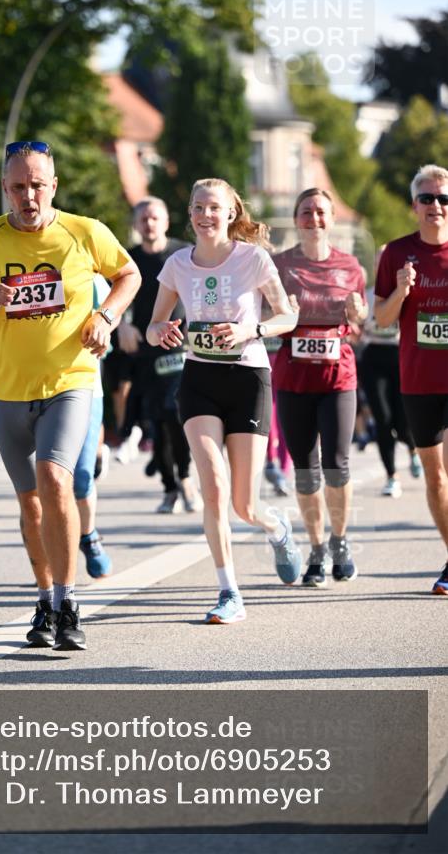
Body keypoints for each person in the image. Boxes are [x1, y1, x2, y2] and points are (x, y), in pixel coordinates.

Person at [0, 140, 140, 649]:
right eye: (17, 187)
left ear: (53, 186)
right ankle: (45, 598)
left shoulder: (84, 232)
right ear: (5, 189)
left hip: (68, 382)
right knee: (30, 504)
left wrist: (106, 316)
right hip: (7, 391)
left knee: (54, 479)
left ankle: (70, 601)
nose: (28, 196)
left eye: (37, 185)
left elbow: (128, 274)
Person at [147, 178, 301, 624]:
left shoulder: (252, 259)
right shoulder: (177, 263)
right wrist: (164, 332)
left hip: (249, 379)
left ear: (231, 213)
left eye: (214, 207)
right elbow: (157, 324)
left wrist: (252, 330)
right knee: (212, 485)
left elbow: (287, 316)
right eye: (198, 206)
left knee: (244, 506)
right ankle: (228, 591)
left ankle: (277, 527)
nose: (205, 215)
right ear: (190, 213)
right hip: (198, 378)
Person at [273, 187, 368, 588]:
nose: (314, 218)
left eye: (321, 212)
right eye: (307, 211)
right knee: (306, 470)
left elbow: (359, 324)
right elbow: (262, 314)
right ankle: (316, 547)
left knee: (337, 465)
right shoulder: (279, 265)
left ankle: (340, 541)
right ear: (296, 219)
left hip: (337, 377)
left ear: (331, 219)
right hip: (293, 376)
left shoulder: (351, 266)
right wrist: (282, 315)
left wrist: (357, 315)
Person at [374, 164, 448, 595]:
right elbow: (382, 320)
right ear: (413, 205)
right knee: (435, 477)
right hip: (418, 380)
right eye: (427, 198)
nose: (436, 206)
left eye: (443, 199)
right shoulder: (396, 254)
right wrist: (402, 291)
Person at [118, 197, 200, 514]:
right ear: (137, 225)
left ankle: (186, 476)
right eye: (144, 219)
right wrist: (122, 326)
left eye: (155, 218)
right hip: (144, 349)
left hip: (181, 345)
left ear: (165, 222)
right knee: (157, 419)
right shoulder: (128, 259)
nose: (149, 224)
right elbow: (113, 295)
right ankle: (169, 488)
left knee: (177, 415)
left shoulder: (183, 253)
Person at [360, 248, 420, 498]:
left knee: (402, 420)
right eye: (378, 261)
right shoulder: (367, 295)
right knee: (383, 419)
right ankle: (391, 476)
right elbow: (357, 322)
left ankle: (414, 450)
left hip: (401, 356)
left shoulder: (407, 292)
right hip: (373, 356)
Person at [75, 276, 114, 579]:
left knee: (81, 477)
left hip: (85, 387)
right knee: (37, 484)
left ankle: (88, 534)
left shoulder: (95, 281)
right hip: (30, 389)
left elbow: (108, 330)